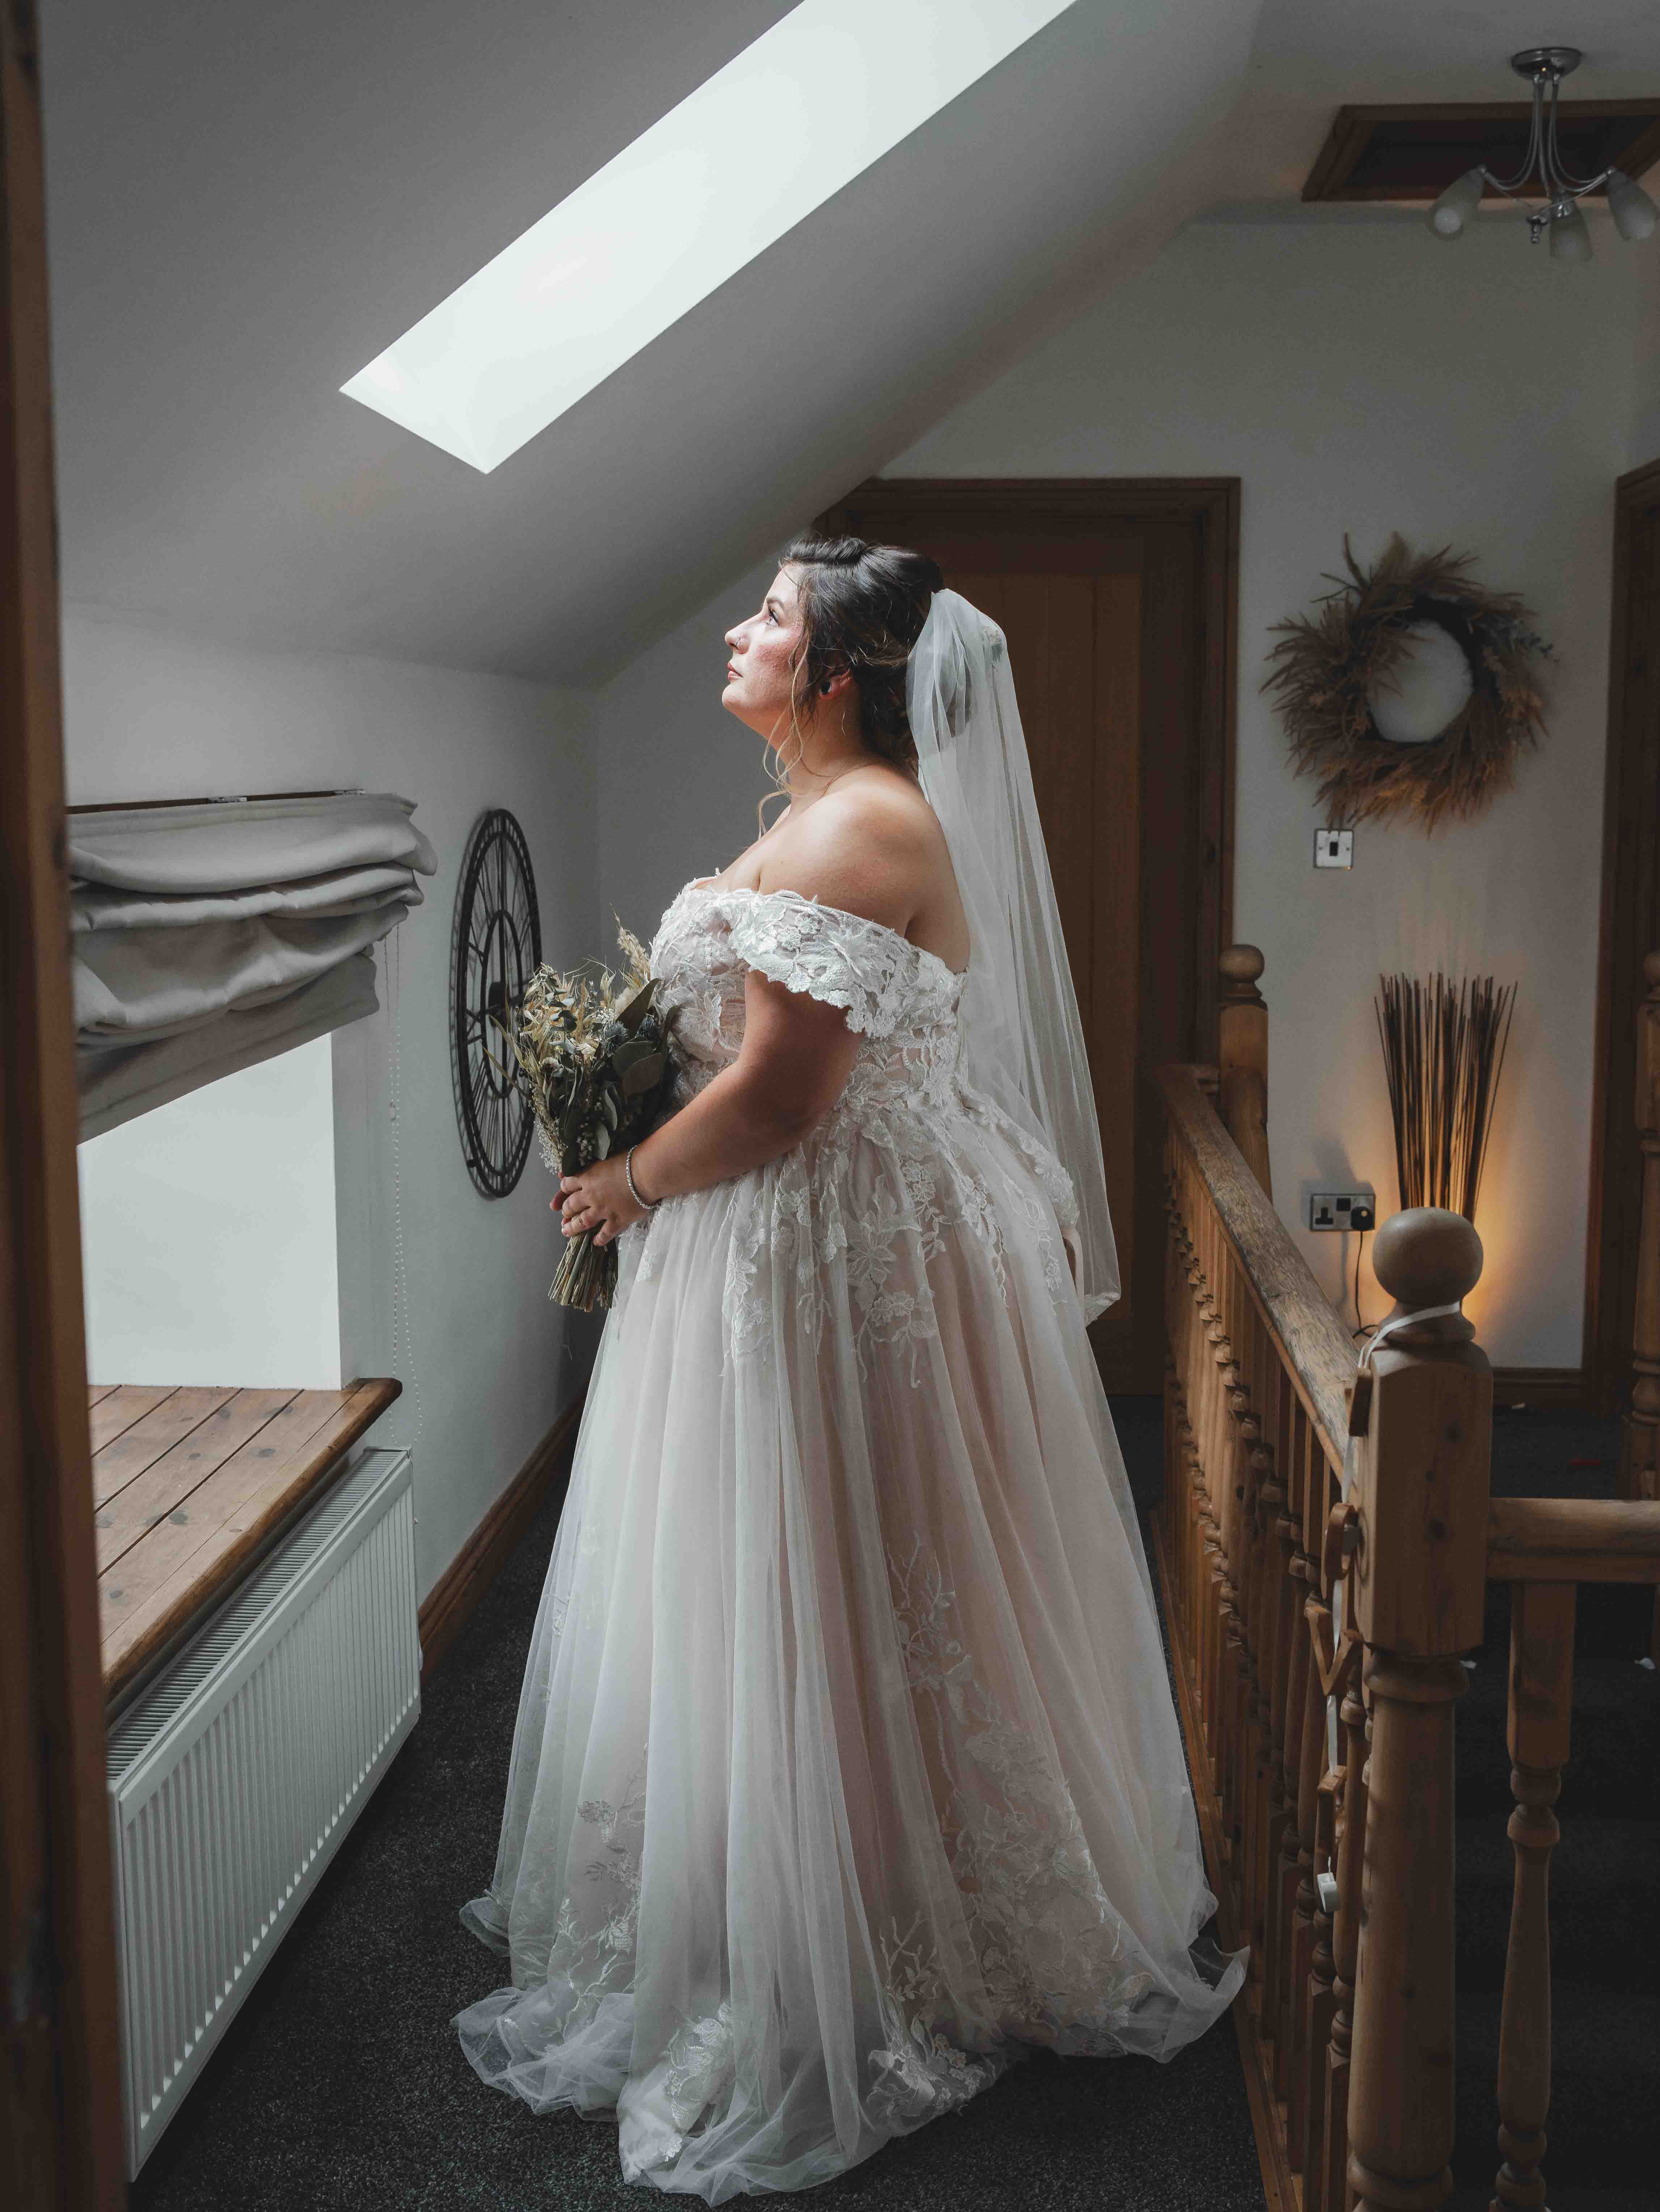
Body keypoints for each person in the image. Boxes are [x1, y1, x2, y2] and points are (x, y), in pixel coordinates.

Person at [456, 538, 1244, 2200]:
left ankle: (883, 1925)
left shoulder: (863, 825)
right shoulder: (818, 811)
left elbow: (782, 1098)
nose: (736, 632)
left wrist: (626, 1178)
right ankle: (806, 1880)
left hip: (831, 1244)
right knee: (807, 1569)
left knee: (844, 1568)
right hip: (794, 1229)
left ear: (834, 672)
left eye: (770, 617)